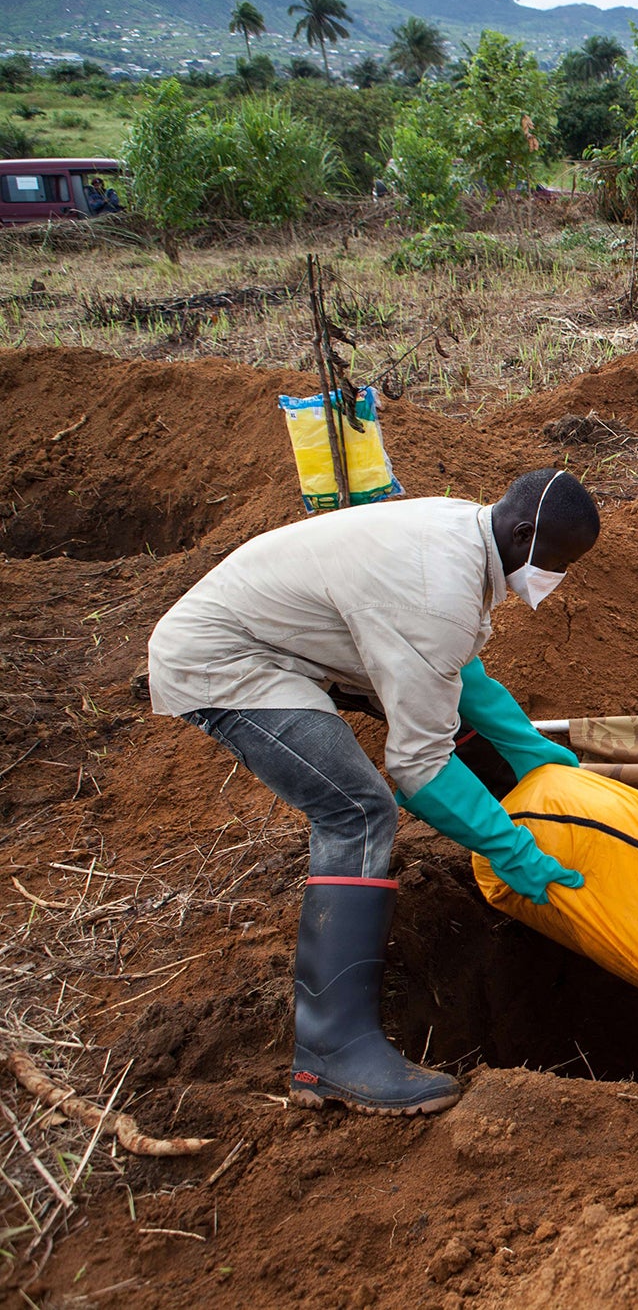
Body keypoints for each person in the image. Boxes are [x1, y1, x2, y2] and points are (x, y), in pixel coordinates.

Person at [147, 470, 603, 1116]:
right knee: (356, 810)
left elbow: (458, 670)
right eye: (557, 562)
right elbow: (417, 765)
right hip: (229, 658)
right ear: (524, 533)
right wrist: (510, 850)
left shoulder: (467, 530)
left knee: (459, 731)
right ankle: (333, 1052)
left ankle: (512, 812)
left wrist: (529, 748)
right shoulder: (436, 590)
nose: (557, 576)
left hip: (298, 636)